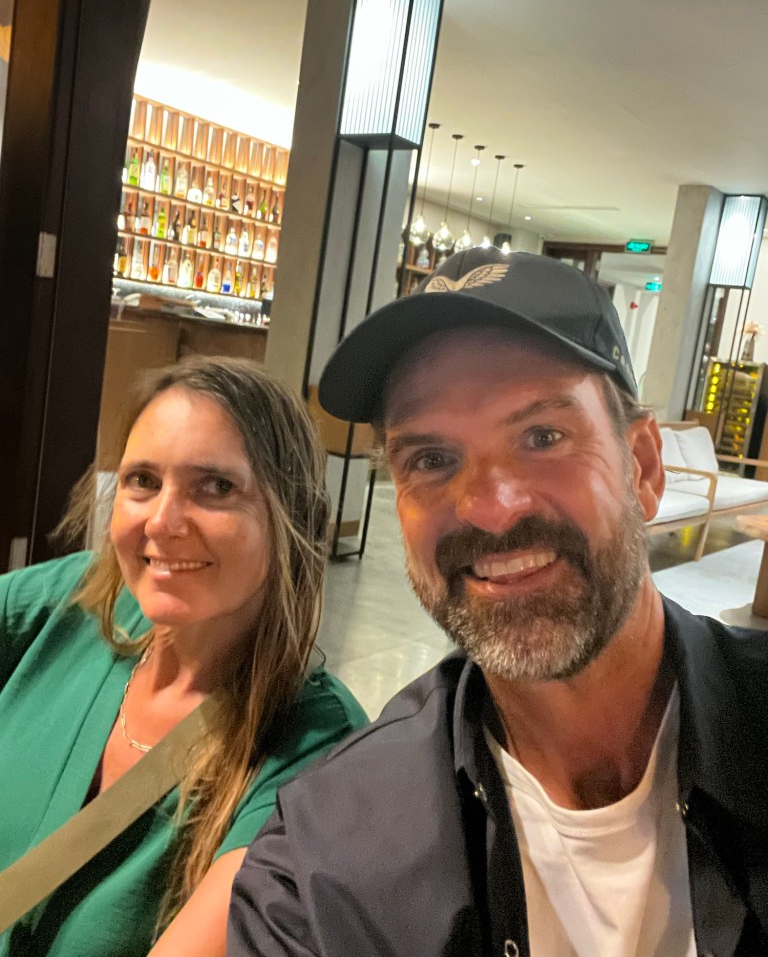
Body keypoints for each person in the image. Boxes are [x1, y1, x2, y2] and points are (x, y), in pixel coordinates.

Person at [229, 247, 768, 956]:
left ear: (642, 467)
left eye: (543, 437)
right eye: (431, 460)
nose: (490, 508)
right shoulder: (322, 867)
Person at [0, 355, 367, 957]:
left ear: (289, 514)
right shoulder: (72, 602)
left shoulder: (316, 750)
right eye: (143, 480)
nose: (163, 522)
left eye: (216, 487)